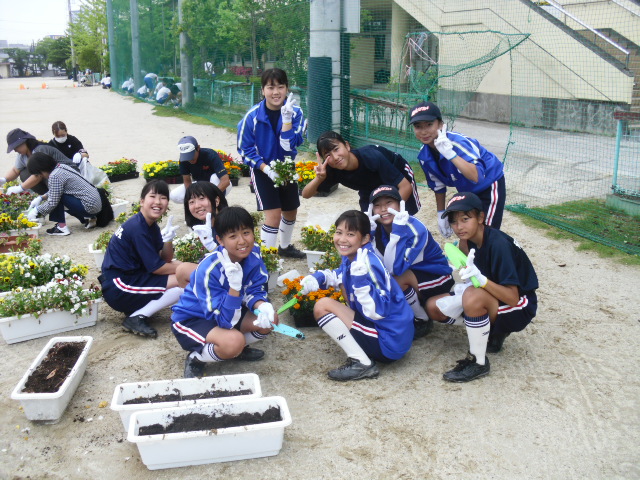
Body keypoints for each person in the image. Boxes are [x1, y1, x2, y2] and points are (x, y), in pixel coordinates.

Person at [427, 192, 538, 383]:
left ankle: (478, 362)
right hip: (494, 297)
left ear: (480, 218)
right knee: (433, 307)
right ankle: (491, 331)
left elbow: (513, 298)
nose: (459, 227)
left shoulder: (499, 245)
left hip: (520, 305)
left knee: (472, 296)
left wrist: (481, 280)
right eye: (454, 221)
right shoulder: (467, 240)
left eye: (465, 219)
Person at [299, 210, 414, 381]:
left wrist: (361, 284)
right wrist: (318, 278)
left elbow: (379, 311)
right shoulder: (356, 256)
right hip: (391, 333)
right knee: (339, 290)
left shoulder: (368, 264)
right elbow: (341, 274)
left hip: (389, 341)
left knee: (322, 306)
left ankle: (362, 364)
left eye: (350, 234)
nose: (342, 239)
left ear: (365, 238)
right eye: (339, 232)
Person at [171, 206, 275, 378]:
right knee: (234, 342)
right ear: (220, 240)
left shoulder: (253, 254)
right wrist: (234, 287)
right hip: (194, 318)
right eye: (233, 236)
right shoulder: (210, 269)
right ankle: (197, 358)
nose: (242, 241)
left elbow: (255, 288)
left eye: (246, 233)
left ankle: (236, 349)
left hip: (226, 311)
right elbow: (224, 321)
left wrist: (261, 305)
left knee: (270, 320)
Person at [237, 68, 307, 259]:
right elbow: (244, 150)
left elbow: (289, 146)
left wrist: (287, 120)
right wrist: (266, 169)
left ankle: (284, 247)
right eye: (270, 87)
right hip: (262, 169)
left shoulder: (296, 113)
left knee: (291, 210)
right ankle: (267, 258)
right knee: (273, 215)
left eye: (280, 87)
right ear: (263, 90)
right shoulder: (252, 117)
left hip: (286, 167)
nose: (276, 92)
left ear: (287, 88)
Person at [367, 185, 453, 340]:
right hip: (413, 276)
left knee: (395, 280)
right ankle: (410, 310)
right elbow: (374, 261)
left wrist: (397, 231)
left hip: (437, 277)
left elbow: (394, 268)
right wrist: (369, 235)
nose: (383, 209)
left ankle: (421, 319)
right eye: (377, 205)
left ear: (400, 205)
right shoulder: (378, 228)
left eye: (389, 203)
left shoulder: (414, 229)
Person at [409, 101, 506, 237]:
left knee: (487, 232)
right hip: (466, 188)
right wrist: (440, 213)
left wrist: (451, 155)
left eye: (429, 124)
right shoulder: (424, 155)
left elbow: (477, 176)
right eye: (418, 126)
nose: (424, 131)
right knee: (468, 231)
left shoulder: (457, 143)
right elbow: (438, 186)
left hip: (489, 183)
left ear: (441, 125)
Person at [100, 180, 183, 338]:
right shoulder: (137, 227)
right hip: (119, 286)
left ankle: (136, 309)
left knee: (179, 269)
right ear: (142, 201)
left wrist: (168, 240)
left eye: (163, 197)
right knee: (183, 279)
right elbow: (157, 268)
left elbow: (165, 259)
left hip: (130, 278)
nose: (158, 202)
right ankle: (136, 317)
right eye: (153, 196)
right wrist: (190, 268)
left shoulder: (149, 225)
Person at [302, 131, 421, 215]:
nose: (335, 157)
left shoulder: (371, 157)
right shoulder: (331, 169)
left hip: (397, 174)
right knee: (369, 221)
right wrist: (319, 178)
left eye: (336, 149)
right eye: (328, 155)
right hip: (368, 186)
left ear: (347, 146)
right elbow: (306, 194)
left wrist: (390, 214)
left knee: (404, 215)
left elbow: (405, 187)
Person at [25, 152, 101, 235]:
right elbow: (55, 189)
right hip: (95, 204)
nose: (40, 176)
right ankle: (89, 218)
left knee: (58, 198)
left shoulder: (54, 176)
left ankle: (61, 227)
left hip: (89, 208)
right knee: (59, 194)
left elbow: (52, 202)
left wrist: (37, 210)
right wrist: (41, 198)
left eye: (38, 174)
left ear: (42, 169)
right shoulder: (61, 167)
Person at [175, 182, 229, 287]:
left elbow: (234, 259)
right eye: (191, 202)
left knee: (182, 270)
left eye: (201, 198)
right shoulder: (207, 226)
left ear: (216, 201)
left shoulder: (228, 223)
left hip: (233, 275)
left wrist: (212, 248)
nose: (197, 206)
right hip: (220, 271)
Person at [3, 128, 77, 195]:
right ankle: (46, 196)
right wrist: (4, 180)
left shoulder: (40, 149)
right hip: (52, 178)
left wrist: (20, 188)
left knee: (47, 176)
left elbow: (39, 175)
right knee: (24, 173)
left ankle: (59, 198)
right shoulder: (22, 155)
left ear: (24, 142)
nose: (15, 150)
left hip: (69, 178)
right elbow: (15, 170)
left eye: (16, 147)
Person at [169, 136, 230, 204]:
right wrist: (193, 197)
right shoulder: (183, 160)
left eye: (191, 155)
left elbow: (225, 181)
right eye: (187, 156)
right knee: (174, 196)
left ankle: (218, 204)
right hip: (200, 184)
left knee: (215, 177)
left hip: (218, 184)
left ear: (198, 148)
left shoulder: (210, 154)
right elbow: (187, 181)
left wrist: (211, 196)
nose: (190, 159)